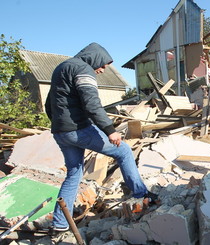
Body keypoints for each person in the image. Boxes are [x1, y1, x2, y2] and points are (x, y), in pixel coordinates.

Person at [45, 42, 158, 235]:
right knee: (123, 151)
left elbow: (49, 103)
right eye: (103, 65)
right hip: (78, 129)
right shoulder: (83, 69)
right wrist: (109, 130)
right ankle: (141, 193)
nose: (102, 70)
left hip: (60, 132)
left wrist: (60, 125)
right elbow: (92, 104)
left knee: (74, 173)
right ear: (94, 58)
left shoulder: (62, 67)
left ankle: (60, 222)